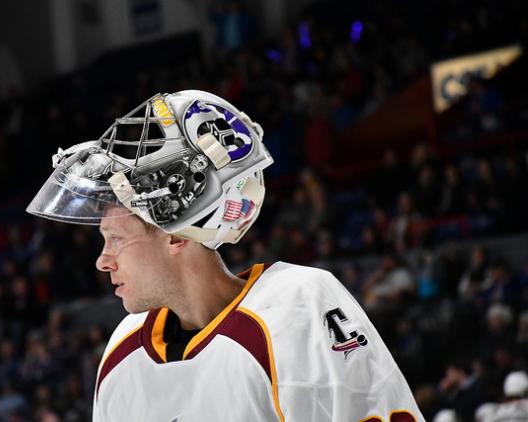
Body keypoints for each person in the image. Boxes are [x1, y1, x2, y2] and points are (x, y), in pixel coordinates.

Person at [27, 90, 423, 421]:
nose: (103, 260)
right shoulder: (122, 351)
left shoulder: (299, 307)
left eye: (115, 238)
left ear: (175, 234)